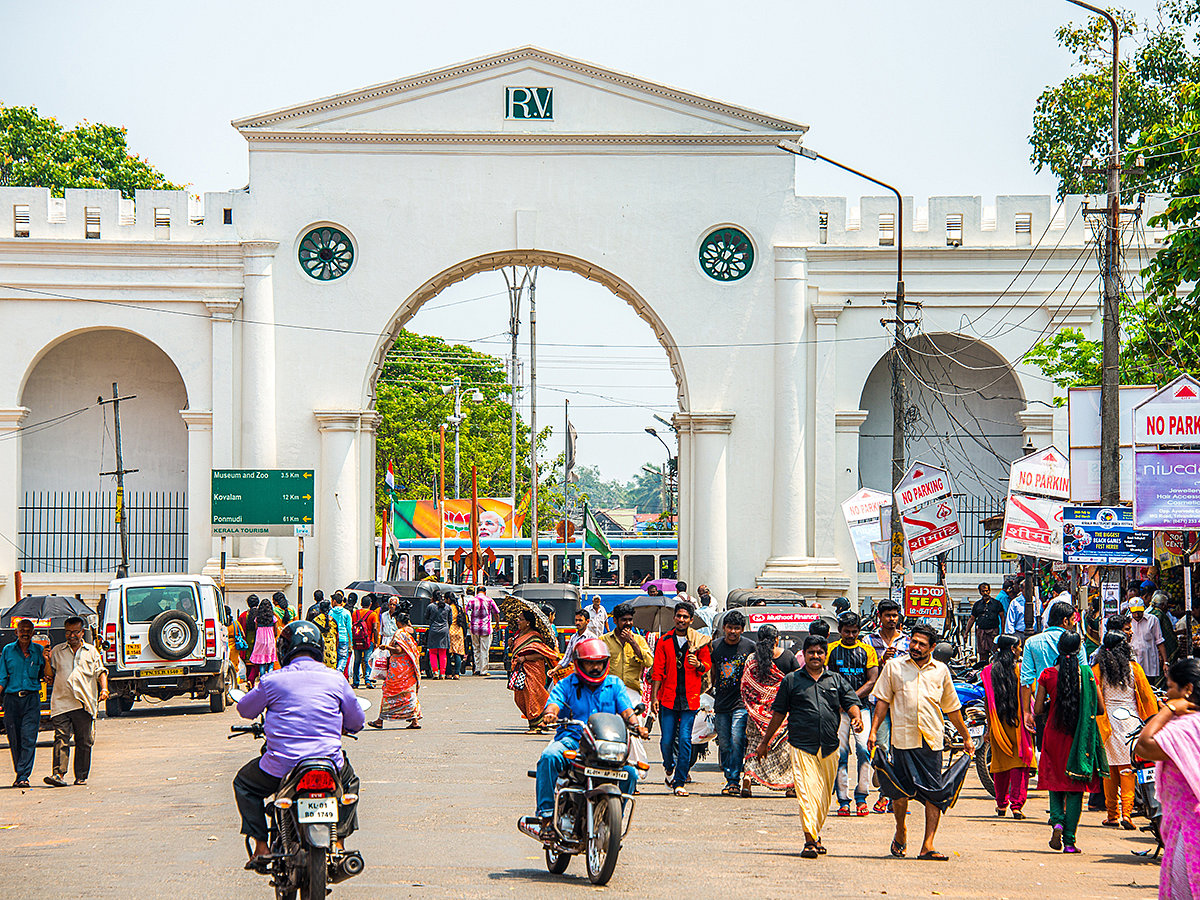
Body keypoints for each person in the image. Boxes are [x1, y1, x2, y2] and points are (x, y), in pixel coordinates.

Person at [233, 620, 365, 868]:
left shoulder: (272, 680)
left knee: (244, 784)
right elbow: (357, 720)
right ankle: (338, 843)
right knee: (350, 784)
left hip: (282, 766)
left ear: (284, 650)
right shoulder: (336, 679)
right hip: (329, 765)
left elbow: (245, 710)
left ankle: (261, 847)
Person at [869, 623, 974, 861]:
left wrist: (966, 737)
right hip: (903, 740)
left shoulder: (941, 670)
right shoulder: (894, 667)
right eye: (913, 642)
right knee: (900, 792)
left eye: (921, 644)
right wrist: (874, 731)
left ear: (932, 647)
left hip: (931, 741)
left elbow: (952, 708)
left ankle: (928, 845)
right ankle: (900, 831)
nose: (915, 647)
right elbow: (882, 702)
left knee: (934, 793)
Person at [755, 635, 863, 858]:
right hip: (801, 745)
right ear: (804, 655)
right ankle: (809, 841)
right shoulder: (792, 680)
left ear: (825, 655)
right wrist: (765, 742)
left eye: (819, 652)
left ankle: (815, 833)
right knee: (806, 793)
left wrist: (856, 717)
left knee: (823, 797)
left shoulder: (836, 680)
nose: (815, 656)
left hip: (830, 747)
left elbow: (851, 702)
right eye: (811, 652)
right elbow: (779, 713)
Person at [529, 637, 647, 837]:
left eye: (599, 662)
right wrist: (550, 714)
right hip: (572, 741)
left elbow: (627, 710)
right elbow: (555, 702)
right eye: (590, 662)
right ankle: (547, 817)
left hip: (605, 744)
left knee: (631, 773)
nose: (595, 667)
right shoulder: (567, 684)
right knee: (549, 757)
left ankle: (612, 819)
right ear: (579, 663)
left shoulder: (614, 684)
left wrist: (636, 725)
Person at [1033, 631, 1106, 853]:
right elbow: (1100, 709)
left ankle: (1056, 820)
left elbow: (1037, 710)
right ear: (1078, 650)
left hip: (1054, 734)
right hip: (1079, 736)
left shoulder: (1047, 674)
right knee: (1075, 788)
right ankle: (1070, 842)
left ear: (1059, 647)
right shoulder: (1087, 674)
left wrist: (1049, 703)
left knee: (1055, 781)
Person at [1133, 657, 1200, 899]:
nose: (1167, 693)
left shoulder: (1183, 728)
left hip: (1190, 829)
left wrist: (1169, 710)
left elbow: (1144, 745)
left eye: (1170, 687)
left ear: (1187, 690)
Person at [1092, 629, 1159, 829]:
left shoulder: (1098, 668)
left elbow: (1094, 694)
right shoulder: (1134, 669)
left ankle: (1112, 814)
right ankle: (1127, 814)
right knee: (1128, 769)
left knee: (1110, 769)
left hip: (1106, 723)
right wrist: (1152, 722)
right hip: (1131, 722)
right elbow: (1147, 698)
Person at [650, 601, 711, 796]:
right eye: (679, 616)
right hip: (667, 697)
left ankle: (679, 781)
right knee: (667, 740)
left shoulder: (699, 642)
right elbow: (657, 671)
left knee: (685, 739)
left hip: (690, 698)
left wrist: (698, 663)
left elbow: (707, 666)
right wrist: (654, 698)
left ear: (691, 620)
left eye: (686, 617)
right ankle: (668, 765)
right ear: (674, 618)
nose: (682, 620)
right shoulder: (664, 641)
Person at [44, 616, 108, 788]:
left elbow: (101, 672)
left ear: (82, 632)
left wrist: (104, 689)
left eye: (75, 632)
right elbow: (49, 676)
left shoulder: (91, 651)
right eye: (68, 632)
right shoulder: (57, 651)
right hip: (61, 702)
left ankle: (81, 775)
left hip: (83, 703)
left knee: (84, 740)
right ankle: (58, 774)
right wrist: (47, 660)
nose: (71, 635)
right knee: (61, 738)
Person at [827, 612, 880, 816]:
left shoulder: (867, 651)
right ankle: (843, 800)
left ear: (859, 631)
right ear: (840, 631)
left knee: (864, 750)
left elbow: (872, 680)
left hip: (862, 709)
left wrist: (851, 699)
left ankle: (862, 796)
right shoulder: (831, 650)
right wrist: (841, 702)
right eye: (847, 631)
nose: (851, 635)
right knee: (840, 754)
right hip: (838, 711)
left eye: (854, 632)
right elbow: (825, 677)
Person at [982, 634, 1035, 818]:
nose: (1020, 650)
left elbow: (988, 703)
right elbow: (1031, 692)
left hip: (998, 723)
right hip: (1018, 723)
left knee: (1000, 765)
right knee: (1019, 765)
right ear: (1013, 649)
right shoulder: (1021, 670)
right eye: (1019, 647)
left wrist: (989, 729)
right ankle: (1017, 805)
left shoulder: (988, 672)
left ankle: (1002, 805)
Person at [741, 624, 797, 797]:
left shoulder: (751, 658)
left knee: (753, 745)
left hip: (756, 713)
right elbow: (796, 682)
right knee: (783, 748)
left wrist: (757, 706)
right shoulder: (787, 656)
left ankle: (748, 778)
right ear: (777, 639)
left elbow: (745, 686)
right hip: (779, 714)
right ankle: (789, 786)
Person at [865, 598, 908, 813]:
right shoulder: (868, 640)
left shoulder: (907, 642)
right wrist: (883, 661)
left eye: (894, 615)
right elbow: (868, 670)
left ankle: (887, 795)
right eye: (887, 615)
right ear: (879, 617)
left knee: (898, 749)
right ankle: (882, 778)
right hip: (878, 700)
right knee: (880, 746)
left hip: (901, 702)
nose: (892, 619)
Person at [707, 609, 755, 797]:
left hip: (741, 703)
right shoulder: (715, 646)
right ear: (724, 628)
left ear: (742, 629)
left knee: (737, 738)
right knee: (725, 743)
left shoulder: (750, 647)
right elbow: (711, 673)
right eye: (729, 628)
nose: (733, 632)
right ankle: (730, 776)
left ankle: (734, 780)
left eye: (737, 628)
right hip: (721, 703)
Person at [602, 603, 655, 772]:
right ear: (615, 621)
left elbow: (649, 662)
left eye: (630, 620)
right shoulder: (604, 641)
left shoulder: (639, 640)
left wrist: (633, 643)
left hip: (632, 692)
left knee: (633, 731)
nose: (628, 623)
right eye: (624, 620)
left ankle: (634, 772)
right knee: (611, 732)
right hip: (609, 692)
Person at [1019, 601, 1076, 746]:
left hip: (1043, 705)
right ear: (1065, 620)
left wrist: (1026, 712)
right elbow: (1083, 672)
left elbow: (1026, 680)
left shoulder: (1032, 642)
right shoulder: (1075, 642)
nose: (1074, 624)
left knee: (1045, 751)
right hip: (1072, 704)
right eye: (1073, 620)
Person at [0, 618, 46, 788]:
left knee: (28, 737)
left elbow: (46, 675)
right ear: (16, 632)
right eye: (22, 630)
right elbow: (2, 677)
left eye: (28, 630)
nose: (25, 633)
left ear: (33, 633)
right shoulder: (7, 651)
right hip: (11, 700)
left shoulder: (39, 651)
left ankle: (23, 776)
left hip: (31, 699)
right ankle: (20, 773)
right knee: (14, 739)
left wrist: (47, 659)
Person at [367, 608, 421, 730]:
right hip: (409, 668)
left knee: (389, 691)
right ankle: (414, 720)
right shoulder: (412, 631)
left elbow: (398, 650)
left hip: (398, 669)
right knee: (409, 693)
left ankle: (380, 720)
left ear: (399, 622)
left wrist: (386, 647)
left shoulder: (400, 633)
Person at [509, 609, 559, 732]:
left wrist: (525, 658)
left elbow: (544, 654)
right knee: (520, 698)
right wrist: (511, 644)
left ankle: (536, 725)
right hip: (521, 671)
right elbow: (516, 651)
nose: (518, 621)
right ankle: (539, 722)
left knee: (533, 696)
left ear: (528, 622)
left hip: (533, 670)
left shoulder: (534, 636)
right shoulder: (518, 634)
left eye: (521, 619)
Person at [966, 582, 1005, 664]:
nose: (985, 593)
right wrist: (966, 632)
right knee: (982, 654)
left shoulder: (996, 604)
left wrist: (1003, 632)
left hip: (993, 631)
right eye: (983, 591)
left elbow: (1002, 617)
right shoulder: (977, 605)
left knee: (994, 653)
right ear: (980, 592)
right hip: (981, 632)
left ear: (989, 591)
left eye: (987, 591)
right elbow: (972, 619)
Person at [246, 595, 281, 687]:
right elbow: (276, 631)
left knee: (261, 662)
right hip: (270, 640)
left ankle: (262, 679)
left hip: (260, 640)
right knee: (270, 661)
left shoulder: (257, 618)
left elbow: (256, 628)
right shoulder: (273, 618)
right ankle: (269, 677)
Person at [1129, 601, 1167, 685]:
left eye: (1139, 612)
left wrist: (1165, 662)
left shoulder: (1153, 620)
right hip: (1133, 662)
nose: (1137, 615)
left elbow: (1159, 641)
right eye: (1134, 612)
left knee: (1150, 686)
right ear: (1130, 610)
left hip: (1149, 662)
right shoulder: (1127, 621)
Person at [465, 587, 501, 676]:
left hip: (474, 628)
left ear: (477, 592)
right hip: (485, 628)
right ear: (485, 592)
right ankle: (483, 670)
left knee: (476, 649)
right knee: (484, 649)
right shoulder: (489, 600)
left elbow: (465, 612)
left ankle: (477, 669)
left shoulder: (472, 601)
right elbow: (496, 613)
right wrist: (497, 624)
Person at [550, 610, 591, 681]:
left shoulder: (592, 638)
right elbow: (567, 658)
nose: (577, 623)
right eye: (576, 620)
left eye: (580, 620)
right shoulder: (573, 638)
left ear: (587, 621)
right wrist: (555, 669)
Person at [350, 595, 379, 689]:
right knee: (367, 661)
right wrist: (376, 642)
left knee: (357, 661)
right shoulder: (373, 614)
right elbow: (375, 628)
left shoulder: (355, 613)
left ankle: (355, 681)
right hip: (368, 641)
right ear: (370, 604)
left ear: (361, 604)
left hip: (357, 640)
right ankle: (367, 680)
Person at [424, 592, 451, 679]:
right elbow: (450, 620)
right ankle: (442, 673)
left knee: (433, 652)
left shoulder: (430, 606)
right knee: (443, 653)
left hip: (433, 630)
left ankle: (435, 672)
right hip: (444, 630)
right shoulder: (447, 607)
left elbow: (426, 617)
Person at [1150, 590, 1180, 665]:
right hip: (1161, 649)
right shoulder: (1160, 615)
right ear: (1163, 605)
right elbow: (1167, 634)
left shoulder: (1150, 613)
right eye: (1167, 606)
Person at [329, 592, 353, 679]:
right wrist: (352, 641)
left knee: (335, 656)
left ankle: (335, 672)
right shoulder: (346, 613)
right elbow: (349, 628)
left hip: (334, 638)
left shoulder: (330, 612)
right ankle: (339, 672)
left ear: (334, 601)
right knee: (343, 657)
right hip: (344, 638)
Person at [310, 598, 340, 668]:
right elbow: (337, 637)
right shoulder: (333, 621)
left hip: (320, 653)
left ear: (320, 609)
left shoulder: (315, 621)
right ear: (329, 609)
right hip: (331, 653)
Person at [446, 594, 467, 680]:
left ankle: (449, 673)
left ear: (448, 599)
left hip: (450, 630)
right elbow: (464, 621)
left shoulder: (447, 608)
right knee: (457, 653)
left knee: (448, 653)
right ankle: (457, 674)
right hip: (459, 631)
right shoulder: (459, 608)